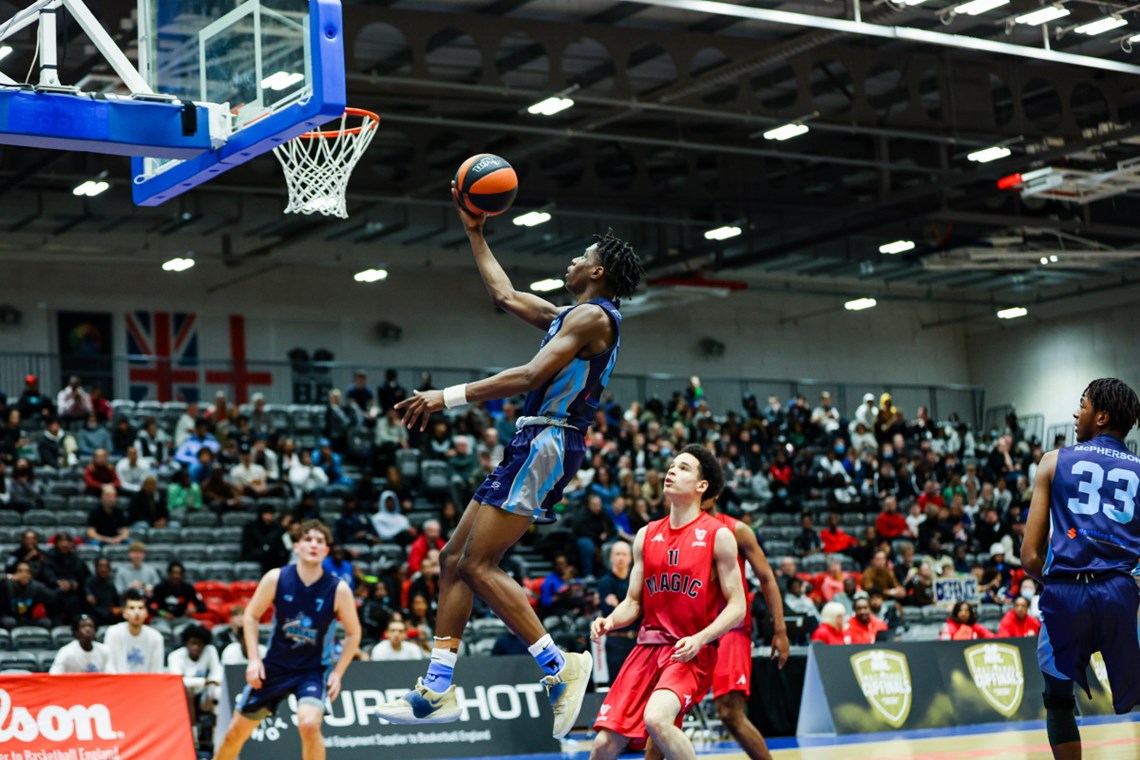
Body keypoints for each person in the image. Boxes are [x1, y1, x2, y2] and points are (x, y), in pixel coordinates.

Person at [374, 197, 643, 740]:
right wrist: (475, 233)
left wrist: (445, 397)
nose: (568, 264)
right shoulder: (570, 316)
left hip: (550, 439)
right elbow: (503, 293)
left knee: (477, 565)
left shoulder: (593, 315)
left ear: (598, 272)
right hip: (533, 439)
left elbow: (529, 374)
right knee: (452, 559)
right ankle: (437, 687)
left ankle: (558, 667)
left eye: (579, 257)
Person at [587, 446, 744, 760]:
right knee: (604, 745)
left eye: (683, 468)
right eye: (672, 465)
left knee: (657, 718)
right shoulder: (646, 535)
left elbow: (737, 607)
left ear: (702, 486)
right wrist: (612, 620)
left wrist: (701, 639)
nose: (671, 471)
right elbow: (633, 601)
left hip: (688, 652)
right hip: (646, 648)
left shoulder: (718, 535)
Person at [1020, 379, 1140, 759]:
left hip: (1066, 593)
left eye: (1083, 405)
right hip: (1122, 590)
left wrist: (1059, 585)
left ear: (1101, 416)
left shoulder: (1054, 461)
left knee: (1057, 701)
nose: (1076, 413)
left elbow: (1029, 556)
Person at [646, 496, 790, 760]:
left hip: (730, 629)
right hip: (689, 631)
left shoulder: (735, 530)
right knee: (664, 715)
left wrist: (780, 630)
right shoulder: (673, 531)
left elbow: (767, 578)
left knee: (729, 712)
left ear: (711, 493)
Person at [212, 520, 361, 760]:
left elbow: (354, 633)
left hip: (312, 671)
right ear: (296, 546)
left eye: (320, 541)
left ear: (326, 550)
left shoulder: (338, 589)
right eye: (308, 539)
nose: (313, 544)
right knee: (234, 734)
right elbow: (250, 616)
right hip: (275, 667)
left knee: (310, 724)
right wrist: (253, 660)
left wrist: (338, 672)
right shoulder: (277, 578)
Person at [168, 624, 224, 733]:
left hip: (204, 694)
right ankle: (193, 735)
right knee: (189, 693)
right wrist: (205, 682)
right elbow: (177, 681)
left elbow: (217, 674)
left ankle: (217, 733)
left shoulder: (210, 651)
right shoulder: (175, 656)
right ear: (186, 643)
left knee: (218, 692)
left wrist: (210, 683)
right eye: (192, 643)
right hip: (183, 696)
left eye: (199, 644)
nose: (196, 647)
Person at [104, 589, 166, 673]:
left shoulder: (156, 637)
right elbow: (109, 667)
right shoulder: (113, 633)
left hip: (147, 684)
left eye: (140, 608)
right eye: (132, 608)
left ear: (146, 613)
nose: (137, 612)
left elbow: (157, 670)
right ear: (124, 612)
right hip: (119, 684)